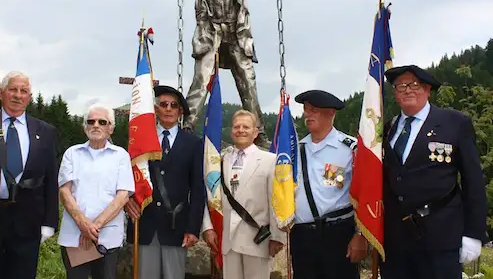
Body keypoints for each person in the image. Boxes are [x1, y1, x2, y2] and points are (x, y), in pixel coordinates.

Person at [180, 0, 275, 147]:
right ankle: (188, 123)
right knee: (201, 79)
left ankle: (259, 132)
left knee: (248, 81)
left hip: (235, 33)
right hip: (211, 32)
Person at [380, 65, 487, 279]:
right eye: (401, 86)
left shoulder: (454, 123)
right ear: (394, 93)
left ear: (427, 90)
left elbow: (473, 180)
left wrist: (474, 234)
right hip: (396, 239)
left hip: (440, 235)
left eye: (415, 85)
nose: (408, 90)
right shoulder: (387, 128)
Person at [0, 71, 59, 279]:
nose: (18, 95)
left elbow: (51, 179)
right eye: (13, 89)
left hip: (28, 223)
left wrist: (49, 222)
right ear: (1, 93)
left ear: (29, 97)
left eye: (24, 91)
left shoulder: (45, 131)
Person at [124, 85, 206, 279]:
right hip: (145, 223)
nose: (168, 109)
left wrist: (193, 228)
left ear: (180, 111)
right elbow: (128, 176)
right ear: (155, 109)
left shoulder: (193, 143)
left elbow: (197, 189)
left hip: (176, 226)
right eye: (163, 104)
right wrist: (127, 200)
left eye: (173, 105)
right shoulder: (141, 140)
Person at [290, 90, 368, 279]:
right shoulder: (296, 150)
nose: (307, 114)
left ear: (331, 113)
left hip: (338, 234)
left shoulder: (351, 149)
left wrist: (361, 236)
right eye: (306, 110)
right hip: (303, 237)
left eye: (314, 110)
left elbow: (365, 194)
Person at [202, 110, 284, 279]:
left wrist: (278, 237)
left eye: (246, 127)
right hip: (227, 241)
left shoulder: (270, 160)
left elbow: (276, 201)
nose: (240, 130)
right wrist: (208, 227)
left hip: (257, 239)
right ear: (231, 131)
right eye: (236, 126)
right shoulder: (220, 160)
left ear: (255, 132)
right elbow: (209, 194)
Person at [57, 104, 135, 279]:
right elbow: (64, 192)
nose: (96, 125)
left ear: (111, 128)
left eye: (102, 122)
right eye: (90, 121)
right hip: (75, 236)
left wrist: (93, 227)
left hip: (107, 237)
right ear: (85, 127)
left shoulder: (120, 155)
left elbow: (123, 196)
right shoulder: (72, 153)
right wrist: (83, 224)